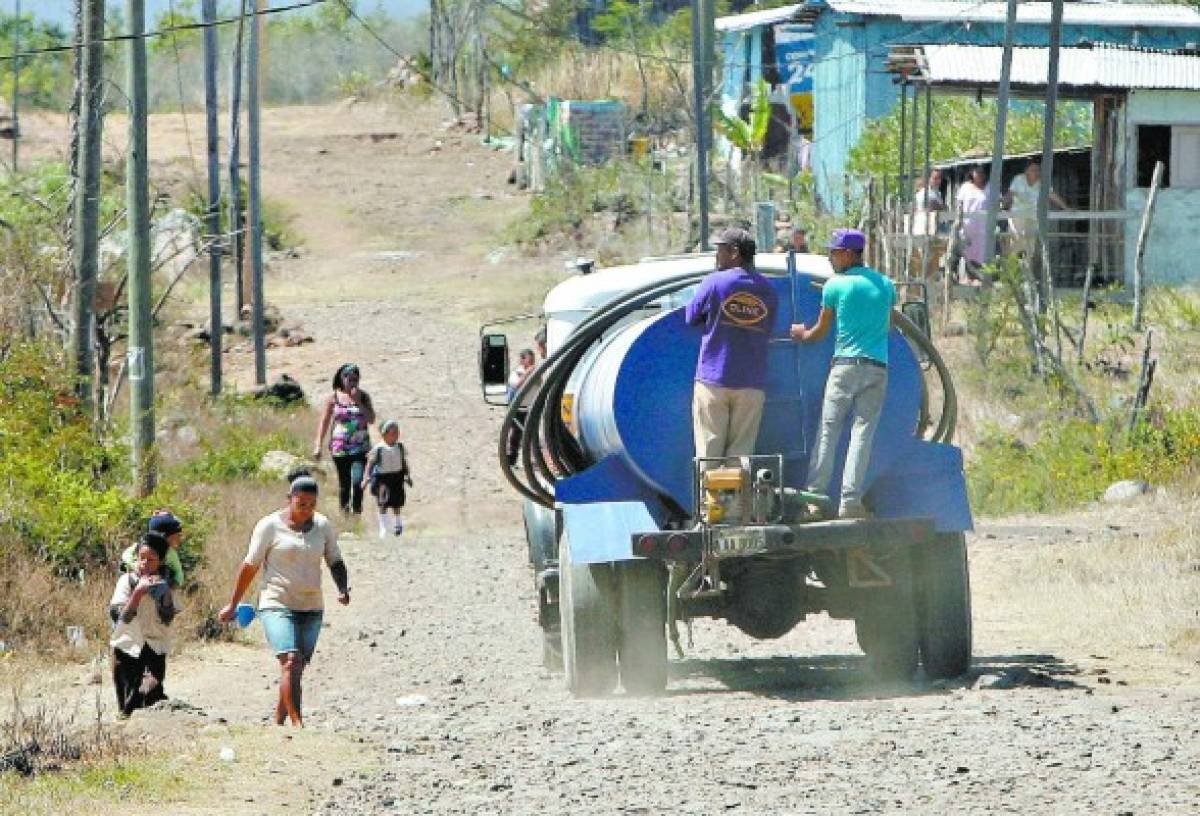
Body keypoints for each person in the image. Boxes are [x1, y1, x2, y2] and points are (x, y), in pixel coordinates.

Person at [218, 474, 350, 727]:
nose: (306, 510)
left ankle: (278, 722)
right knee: (290, 659)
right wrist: (233, 603)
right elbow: (250, 566)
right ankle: (298, 724)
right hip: (276, 602)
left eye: (312, 505)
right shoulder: (269, 526)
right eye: (301, 504)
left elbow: (335, 560)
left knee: (295, 667)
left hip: (311, 605)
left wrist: (343, 588)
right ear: (289, 500)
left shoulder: (322, 526)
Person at [790, 228, 896, 520]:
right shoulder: (886, 284)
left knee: (828, 432)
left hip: (845, 367)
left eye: (835, 252)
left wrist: (801, 332)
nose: (831, 257)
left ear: (849, 254)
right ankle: (850, 502)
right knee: (862, 435)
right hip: (877, 368)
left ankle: (813, 501)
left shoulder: (835, 286)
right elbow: (887, 327)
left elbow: (819, 332)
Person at [685, 227, 780, 466]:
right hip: (751, 385)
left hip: (713, 381)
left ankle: (710, 504)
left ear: (734, 252)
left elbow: (691, 317)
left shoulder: (715, 282)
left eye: (720, 250)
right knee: (739, 459)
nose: (717, 256)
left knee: (709, 455)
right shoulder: (769, 290)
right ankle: (735, 505)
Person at [109, 532, 178, 718]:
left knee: (150, 692)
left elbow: (168, 617)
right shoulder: (127, 581)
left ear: (161, 561)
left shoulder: (165, 584)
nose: (145, 564)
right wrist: (138, 594)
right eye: (142, 558)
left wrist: (165, 597)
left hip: (154, 648)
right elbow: (120, 617)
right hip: (127, 647)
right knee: (127, 703)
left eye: (151, 560)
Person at [313, 363, 376, 514]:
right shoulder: (333, 398)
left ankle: (357, 511)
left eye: (356, 379)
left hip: (361, 447)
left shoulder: (364, 396)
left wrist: (358, 402)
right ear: (342, 379)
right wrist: (318, 445)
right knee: (345, 483)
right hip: (340, 448)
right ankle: (345, 514)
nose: (353, 382)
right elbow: (324, 423)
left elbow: (371, 419)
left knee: (358, 480)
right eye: (349, 379)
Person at [1004, 159, 1070, 258]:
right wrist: (1002, 206)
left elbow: (1052, 195)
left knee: (1030, 246)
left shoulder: (1042, 182)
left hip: (1033, 216)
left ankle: (1026, 268)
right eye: (1033, 170)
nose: (1036, 172)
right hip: (1017, 215)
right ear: (1026, 171)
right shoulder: (1018, 179)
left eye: (1037, 170)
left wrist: (1066, 208)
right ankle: (1014, 268)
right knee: (1016, 243)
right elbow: (1010, 194)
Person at [363, 420, 413, 538]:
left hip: (397, 477)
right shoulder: (379, 448)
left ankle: (398, 523)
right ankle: (383, 528)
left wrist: (408, 476)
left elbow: (403, 462)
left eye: (397, 433)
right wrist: (365, 479)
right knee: (383, 502)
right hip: (383, 479)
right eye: (393, 433)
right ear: (384, 434)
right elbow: (370, 463)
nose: (395, 435)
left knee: (397, 502)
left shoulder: (400, 447)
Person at [121, 510, 186, 588]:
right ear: (164, 537)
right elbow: (126, 555)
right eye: (176, 537)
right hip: (137, 579)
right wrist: (135, 565)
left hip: (159, 585)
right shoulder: (142, 546)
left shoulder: (171, 553)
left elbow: (178, 572)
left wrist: (175, 584)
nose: (179, 539)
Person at [955, 166, 992, 282]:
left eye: (981, 172)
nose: (979, 175)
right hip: (968, 226)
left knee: (982, 255)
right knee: (966, 253)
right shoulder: (965, 187)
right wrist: (958, 222)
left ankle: (981, 281)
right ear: (972, 173)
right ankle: (966, 279)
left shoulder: (990, 187)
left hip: (984, 227)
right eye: (977, 172)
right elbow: (959, 205)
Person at [505, 348, 538, 466]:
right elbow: (517, 386)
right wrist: (528, 373)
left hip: (531, 408)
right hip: (518, 409)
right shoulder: (516, 373)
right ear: (523, 360)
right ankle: (512, 459)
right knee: (515, 435)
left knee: (532, 435)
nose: (533, 362)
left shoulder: (536, 373)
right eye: (530, 360)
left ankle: (533, 460)